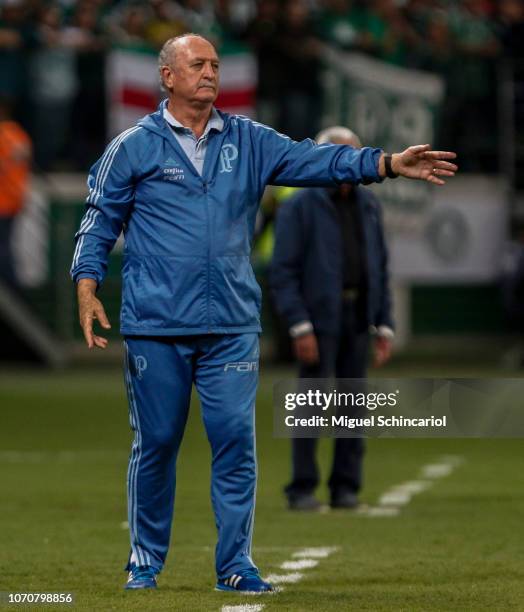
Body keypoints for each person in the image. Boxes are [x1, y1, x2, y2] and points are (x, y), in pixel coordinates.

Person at [69, 33, 457, 593]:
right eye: (196, 64)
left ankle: (235, 565)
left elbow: (317, 159)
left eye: (215, 65)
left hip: (230, 324)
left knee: (235, 443)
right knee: (155, 444)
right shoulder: (131, 147)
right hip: (156, 326)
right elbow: (99, 219)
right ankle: (144, 561)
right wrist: (86, 285)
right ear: (167, 77)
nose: (209, 73)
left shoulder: (248, 141)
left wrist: (388, 163)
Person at [270, 126, 394, 511]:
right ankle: (302, 488)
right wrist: (299, 324)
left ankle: (346, 488)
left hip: (357, 314)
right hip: (317, 319)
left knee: (353, 404)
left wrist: (384, 322)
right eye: (342, 156)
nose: (351, 165)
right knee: (310, 403)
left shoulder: (369, 205)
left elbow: (379, 266)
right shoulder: (298, 206)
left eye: (355, 156)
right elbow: (282, 271)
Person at [0, 96, 31, 289]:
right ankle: (13, 288)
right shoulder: (20, 135)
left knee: (3, 248)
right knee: (7, 246)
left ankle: (10, 288)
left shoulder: (3, 134)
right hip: (15, 198)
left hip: (3, 200)